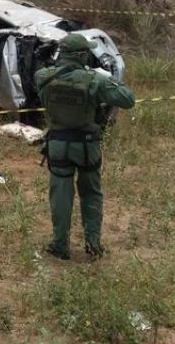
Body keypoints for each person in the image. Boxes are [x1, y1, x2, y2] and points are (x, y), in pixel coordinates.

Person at [35, 33, 135, 261]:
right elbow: (127, 99)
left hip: (58, 144)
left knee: (60, 194)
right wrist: (106, 78)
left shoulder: (43, 76)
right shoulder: (94, 80)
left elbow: (42, 84)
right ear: (81, 55)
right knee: (91, 193)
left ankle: (60, 245)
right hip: (86, 145)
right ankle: (93, 244)